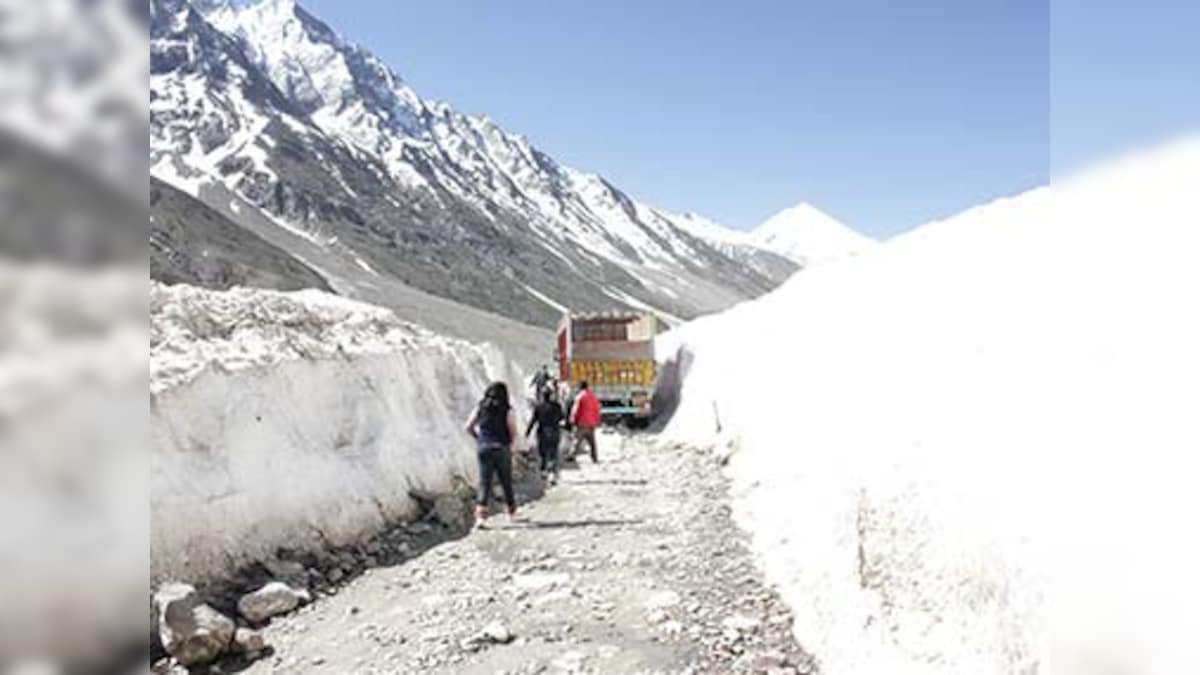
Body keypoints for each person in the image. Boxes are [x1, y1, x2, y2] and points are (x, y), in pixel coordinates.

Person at [463, 381, 520, 527]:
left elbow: (468, 426)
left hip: (484, 448)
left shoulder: (480, 408)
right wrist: (511, 447)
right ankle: (511, 512)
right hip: (501, 448)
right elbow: (513, 431)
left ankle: (481, 517)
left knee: (484, 482)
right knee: (505, 480)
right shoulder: (508, 410)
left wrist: (479, 439)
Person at [525, 387, 565, 484]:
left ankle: (544, 471)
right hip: (555, 431)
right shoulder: (557, 406)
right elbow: (562, 417)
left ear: (542, 396)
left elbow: (533, 420)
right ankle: (552, 474)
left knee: (543, 453)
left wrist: (527, 432)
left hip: (542, 432)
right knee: (553, 453)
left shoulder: (539, 407)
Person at [570, 380, 601, 463]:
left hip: (582, 423)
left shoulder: (580, 396)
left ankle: (572, 455)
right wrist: (597, 420)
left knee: (577, 440)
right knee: (592, 443)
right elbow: (597, 409)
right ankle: (594, 457)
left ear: (580, 387)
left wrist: (572, 420)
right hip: (591, 423)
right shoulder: (593, 396)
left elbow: (575, 410)